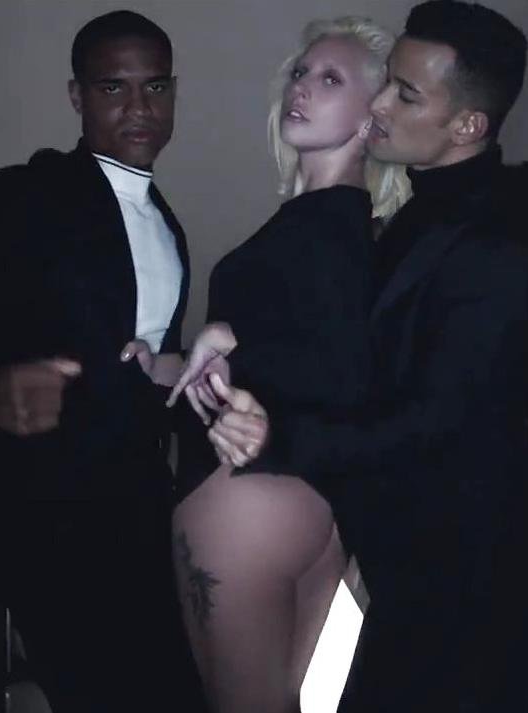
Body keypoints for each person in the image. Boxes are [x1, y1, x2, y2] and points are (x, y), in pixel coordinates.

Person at [200, 2, 528, 709]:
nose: (379, 105)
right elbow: (359, 357)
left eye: (406, 94)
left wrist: (280, 439)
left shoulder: (503, 246)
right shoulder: (416, 220)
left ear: (467, 125)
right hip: (406, 563)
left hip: (460, 580)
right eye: (387, 81)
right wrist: (235, 342)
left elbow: (439, 421)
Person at [0, 10, 204, 712]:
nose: (139, 108)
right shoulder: (26, 196)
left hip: (145, 518)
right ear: (77, 96)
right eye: (113, 88)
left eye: (155, 87)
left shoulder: (168, 225)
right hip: (46, 523)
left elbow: (145, 379)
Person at [166, 16, 406, 713]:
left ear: (371, 117)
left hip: (247, 507)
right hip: (318, 512)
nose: (301, 87)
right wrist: (179, 360)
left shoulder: (329, 230)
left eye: (331, 79)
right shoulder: (348, 230)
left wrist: (227, 341)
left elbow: (336, 369)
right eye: (301, 72)